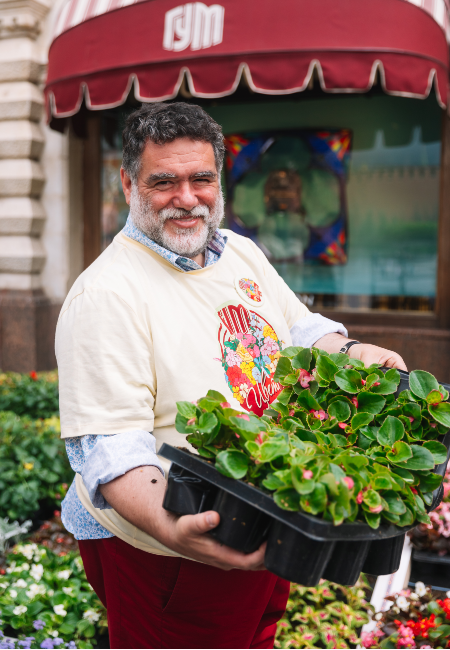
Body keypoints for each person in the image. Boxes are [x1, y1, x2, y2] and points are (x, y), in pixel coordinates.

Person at [56, 103, 407, 650]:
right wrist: (173, 528)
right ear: (127, 183)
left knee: (253, 637)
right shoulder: (106, 294)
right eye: (164, 182)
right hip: (168, 546)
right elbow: (111, 449)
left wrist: (352, 351)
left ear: (219, 179)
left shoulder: (238, 250)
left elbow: (299, 327)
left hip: (262, 506)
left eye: (202, 178)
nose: (188, 198)